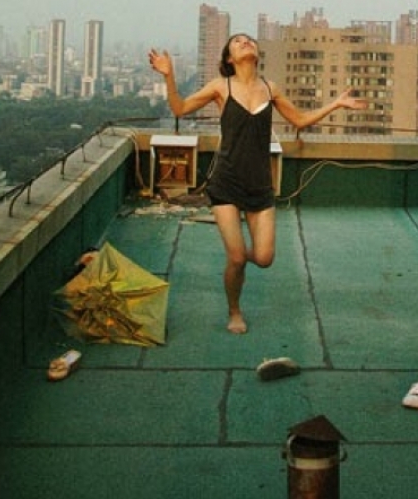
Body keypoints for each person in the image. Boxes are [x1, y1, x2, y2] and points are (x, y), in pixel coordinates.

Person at [148, 34, 367, 334]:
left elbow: (300, 120)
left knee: (263, 258)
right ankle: (234, 310)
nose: (245, 42)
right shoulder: (220, 87)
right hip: (226, 182)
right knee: (237, 257)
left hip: (260, 184)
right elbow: (179, 109)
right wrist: (169, 76)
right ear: (228, 58)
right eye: (237, 42)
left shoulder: (269, 88)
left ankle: (237, 257)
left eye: (248, 40)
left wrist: (337, 104)